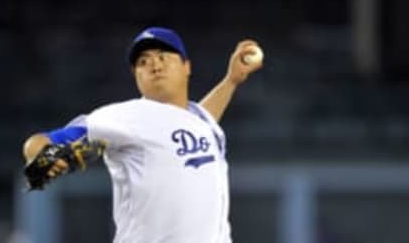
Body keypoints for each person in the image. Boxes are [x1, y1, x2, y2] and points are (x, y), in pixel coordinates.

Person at [23, 27, 263, 243]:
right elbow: (42, 141)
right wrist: (43, 154)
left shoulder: (198, 118)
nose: (154, 65)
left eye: (163, 57)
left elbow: (192, 124)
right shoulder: (126, 116)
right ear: (136, 74)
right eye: (143, 62)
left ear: (186, 66)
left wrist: (231, 81)